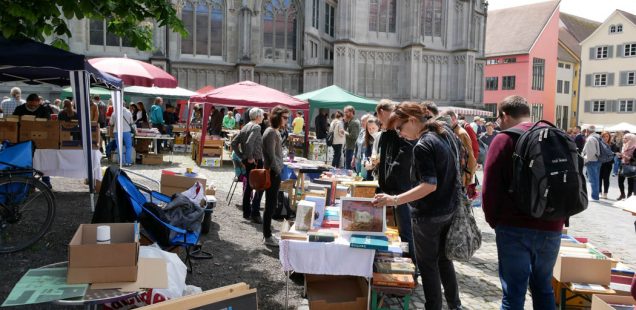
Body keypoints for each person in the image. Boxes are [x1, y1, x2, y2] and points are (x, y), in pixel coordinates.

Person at [373, 102, 462, 310]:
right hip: (447, 210)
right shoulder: (444, 134)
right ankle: (454, 305)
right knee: (443, 261)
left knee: (428, 266)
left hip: (429, 215)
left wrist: (394, 199)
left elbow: (429, 185)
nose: (401, 135)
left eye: (400, 129)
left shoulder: (423, 144)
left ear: (412, 121)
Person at [482, 95, 565, 309]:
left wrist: (494, 221)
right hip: (552, 225)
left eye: (499, 119)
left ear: (505, 115)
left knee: (513, 293)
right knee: (543, 287)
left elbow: (490, 188)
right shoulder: (555, 135)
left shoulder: (504, 139)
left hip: (514, 225)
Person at [373, 100, 416, 273]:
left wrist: (390, 175)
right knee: (400, 230)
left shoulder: (401, 131)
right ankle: (403, 264)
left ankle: (411, 268)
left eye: (379, 116)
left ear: (382, 111)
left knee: (406, 230)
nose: (379, 121)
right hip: (393, 189)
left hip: (402, 190)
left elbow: (403, 159)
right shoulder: (388, 132)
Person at [262, 105, 290, 247]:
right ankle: (267, 235)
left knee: (271, 205)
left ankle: (267, 234)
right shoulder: (271, 132)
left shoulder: (274, 131)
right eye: (284, 118)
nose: (286, 120)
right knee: (270, 205)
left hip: (274, 171)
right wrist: (278, 170)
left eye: (287, 118)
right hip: (272, 173)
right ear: (277, 117)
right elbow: (272, 156)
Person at [231, 108, 265, 223]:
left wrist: (242, 156)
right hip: (254, 160)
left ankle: (247, 212)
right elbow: (248, 143)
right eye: (262, 115)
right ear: (257, 116)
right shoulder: (256, 127)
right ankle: (255, 213)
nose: (263, 117)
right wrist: (249, 157)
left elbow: (234, 143)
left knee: (249, 186)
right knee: (259, 186)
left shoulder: (246, 126)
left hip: (249, 160)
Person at [442, 110, 477, 188]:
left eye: (446, 119)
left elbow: (470, 156)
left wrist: (469, 177)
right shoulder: (452, 131)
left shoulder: (461, 133)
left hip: (460, 176)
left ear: (453, 118)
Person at [582, 125, 601, 201]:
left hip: (592, 161)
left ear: (587, 131)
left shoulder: (590, 139)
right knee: (596, 179)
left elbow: (590, 153)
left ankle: (594, 196)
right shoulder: (598, 136)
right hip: (597, 160)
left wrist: (584, 160)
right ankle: (596, 195)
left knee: (593, 179)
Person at [343, 106, 361, 170]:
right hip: (349, 147)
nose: (345, 114)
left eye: (346, 112)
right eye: (344, 112)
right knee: (347, 166)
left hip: (351, 148)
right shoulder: (351, 121)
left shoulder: (354, 122)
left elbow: (354, 136)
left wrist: (344, 132)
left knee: (349, 167)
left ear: (351, 112)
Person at [619, 133, 636, 198]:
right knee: (620, 181)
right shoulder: (624, 146)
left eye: (626, 138)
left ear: (631, 139)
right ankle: (622, 194)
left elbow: (634, 159)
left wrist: (624, 156)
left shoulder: (635, 147)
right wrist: (620, 156)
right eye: (624, 138)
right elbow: (622, 156)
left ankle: (629, 196)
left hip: (631, 166)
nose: (624, 139)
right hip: (623, 165)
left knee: (630, 182)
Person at [599, 131, 613, 199]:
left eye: (607, 136)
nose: (605, 138)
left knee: (606, 179)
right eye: (604, 136)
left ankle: (605, 193)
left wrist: (612, 154)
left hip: (608, 164)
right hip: (600, 163)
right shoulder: (599, 144)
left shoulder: (612, 144)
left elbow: (614, 154)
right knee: (599, 178)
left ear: (609, 137)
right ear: (601, 137)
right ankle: (599, 192)